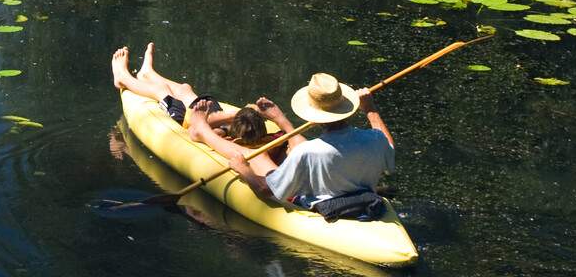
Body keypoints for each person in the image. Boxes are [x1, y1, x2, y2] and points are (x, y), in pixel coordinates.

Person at [186, 70, 395, 212]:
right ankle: (282, 121)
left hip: (324, 206)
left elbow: (267, 190)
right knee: (289, 148)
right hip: (364, 199)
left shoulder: (307, 152)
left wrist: (244, 169)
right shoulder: (375, 139)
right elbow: (388, 145)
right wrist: (370, 108)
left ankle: (203, 132)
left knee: (255, 156)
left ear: (313, 114)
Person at [111, 45, 285, 172]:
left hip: (185, 119)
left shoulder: (224, 137)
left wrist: (231, 115)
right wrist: (243, 113)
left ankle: (122, 77)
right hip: (213, 113)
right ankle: (147, 73)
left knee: (162, 92)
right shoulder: (258, 133)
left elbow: (199, 126)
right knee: (185, 88)